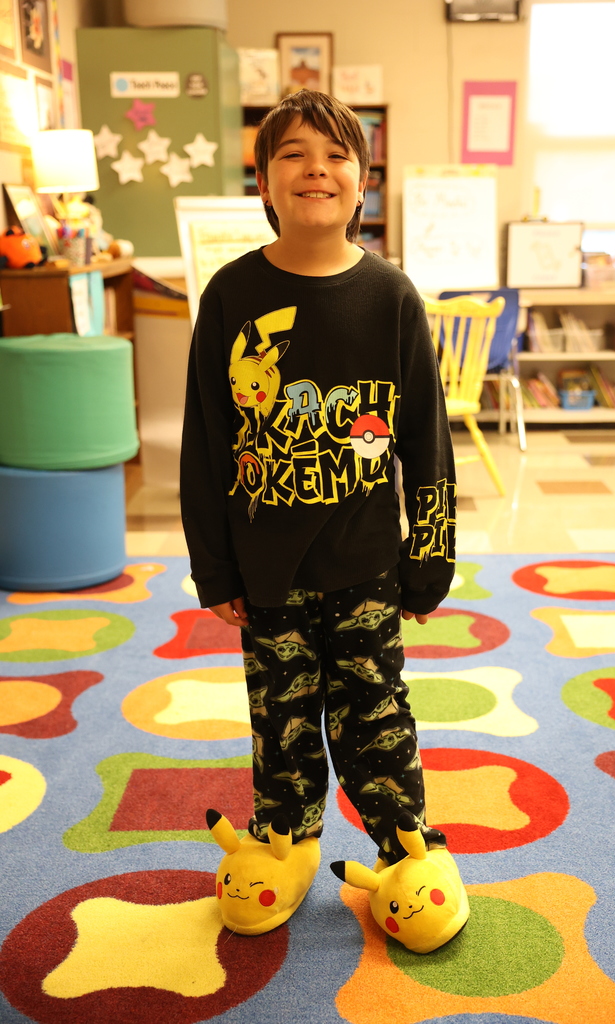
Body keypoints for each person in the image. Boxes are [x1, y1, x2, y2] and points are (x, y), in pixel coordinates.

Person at [180, 89, 458, 942]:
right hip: (264, 568)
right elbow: (206, 441)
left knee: (377, 715)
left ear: (361, 180)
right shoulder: (230, 295)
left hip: (367, 562)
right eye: (293, 154)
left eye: (336, 154)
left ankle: (407, 851)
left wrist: (430, 557)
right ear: (263, 181)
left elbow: (425, 439)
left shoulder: (390, 296)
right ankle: (285, 841)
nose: (316, 169)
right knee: (281, 717)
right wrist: (213, 568)